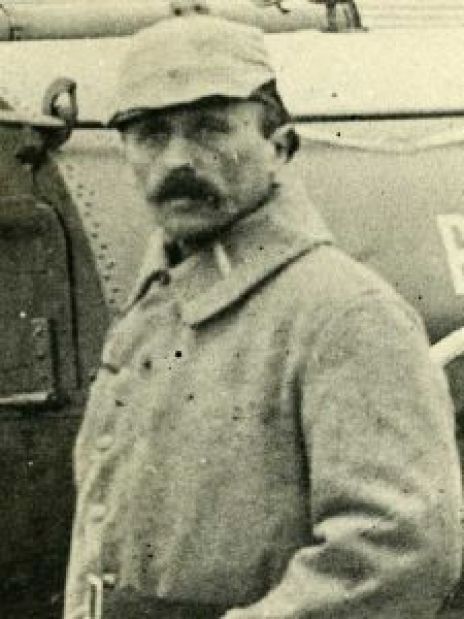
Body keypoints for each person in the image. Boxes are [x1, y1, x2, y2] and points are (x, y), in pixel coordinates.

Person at [64, 10, 462, 619]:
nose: (177, 159)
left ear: (279, 146)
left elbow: (397, 548)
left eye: (211, 129)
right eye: (150, 134)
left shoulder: (342, 314)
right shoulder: (150, 314)